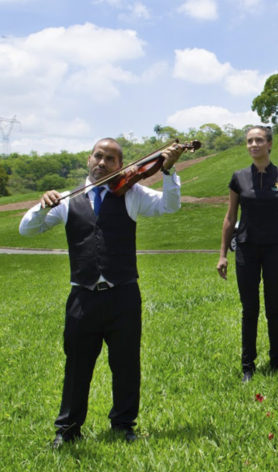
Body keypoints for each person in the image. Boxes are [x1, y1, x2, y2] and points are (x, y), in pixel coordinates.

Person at [19, 138, 185, 448]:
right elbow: (27, 230)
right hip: (82, 297)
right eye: (98, 156)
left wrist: (168, 170)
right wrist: (42, 207)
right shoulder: (68, 200)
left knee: (125, 364)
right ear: (88, 159)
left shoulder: (131, 194)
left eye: (111, 159)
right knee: (77, 366)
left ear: (120, 166)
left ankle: (123, 425)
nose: (102, 163)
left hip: (123, 294)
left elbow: (169, 205)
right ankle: (67, 430)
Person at [217, 126, 278, 383]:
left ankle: (276, 362)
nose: (253, 144)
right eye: (250, 141)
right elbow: (230, 218)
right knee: (249, 308)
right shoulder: (239, 178)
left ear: (269, 144)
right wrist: (222, 255)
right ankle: (248, 366)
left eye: (259, 140)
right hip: (246, 248)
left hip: (275, 248)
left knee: (274, 307)